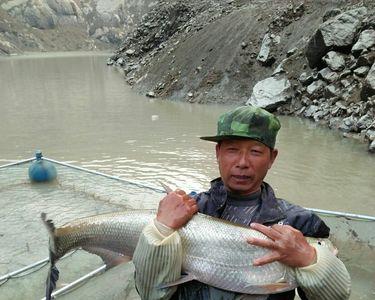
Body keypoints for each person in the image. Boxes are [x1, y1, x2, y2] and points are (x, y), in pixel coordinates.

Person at [133, 106, 351, 300]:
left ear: (272, 158)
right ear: (218, 152)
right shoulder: (187, 210)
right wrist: (160, 230)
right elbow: (151, 293)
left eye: (255, 152)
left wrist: (309, 259)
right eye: (232, 150)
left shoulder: (301, 223)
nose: (242, 163)